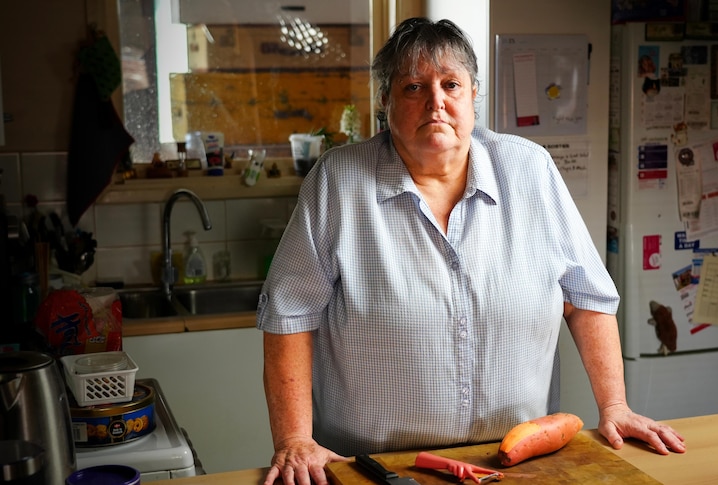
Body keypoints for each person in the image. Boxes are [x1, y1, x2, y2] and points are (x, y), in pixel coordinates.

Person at [257, 17, 686, 485]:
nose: (435, 102)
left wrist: (616, 406)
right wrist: (294, 439)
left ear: (473, 94)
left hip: (518, 463)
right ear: (385, 102)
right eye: (413, 87)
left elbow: (586, 299)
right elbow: (289, 316)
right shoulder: (337, 182)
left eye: (451, 84)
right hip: (372, 468)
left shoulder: (529, 170)